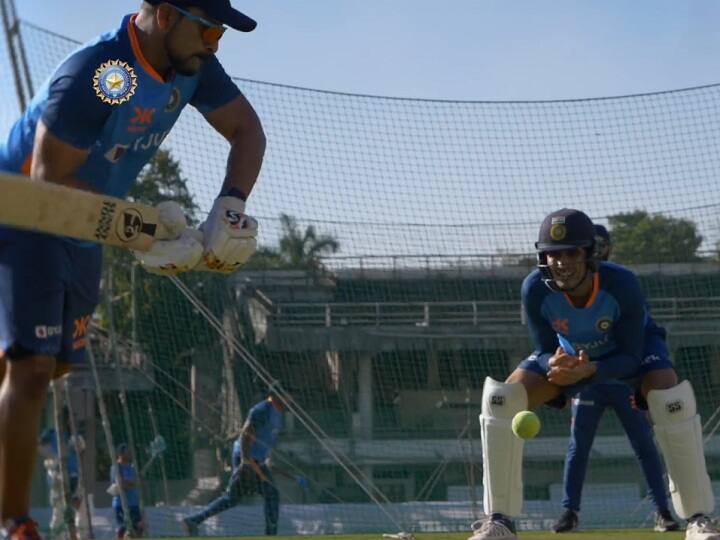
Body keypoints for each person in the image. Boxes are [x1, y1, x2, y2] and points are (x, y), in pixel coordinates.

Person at [0, 0, 265, 536]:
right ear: (165, 15)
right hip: (27, 211)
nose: (215, 44)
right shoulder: (101, 73)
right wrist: (142, 230)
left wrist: (228, 207)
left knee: (51, 368)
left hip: (90, 225)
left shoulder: (192, 66)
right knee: (30, 369)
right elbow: (51, 183)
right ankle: (13, 523)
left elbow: (247, 131)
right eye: (209, 29)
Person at [469, 209, 719, 540]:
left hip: (632, 353)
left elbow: (630, 355)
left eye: (571, 252)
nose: (562, 262)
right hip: (575, 360)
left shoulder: (622, 283)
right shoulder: (534, 289)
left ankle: (699, 520)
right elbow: (544, 348)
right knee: (502, 399)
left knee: (669, 396)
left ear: (590, 253)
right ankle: (499, 521)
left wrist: (594, 369)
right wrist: (552, 366)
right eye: (553, 254)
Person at [552, 225, 679, 533]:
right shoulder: (565, 288)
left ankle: (663, 510)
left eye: (600, 245)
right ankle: (569, 512)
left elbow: (638, 337)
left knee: (644, 444)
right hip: (589, 381)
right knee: (578, 447)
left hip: (623, 378)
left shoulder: (622, 283)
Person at [183, 392, 286, 536]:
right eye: (287, 395)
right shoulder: (263, 409)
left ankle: (194, 520)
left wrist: (266, 459)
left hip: (257, 460)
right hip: (249, 459)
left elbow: (267, 439)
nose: (290, 399)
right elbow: (246, 434)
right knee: (270, 494)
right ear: (276, 396)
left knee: (233, 498)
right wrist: (245, 462)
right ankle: (271, 534)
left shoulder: (279, 414)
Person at [38, 428, 82, 540]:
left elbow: (80, 445)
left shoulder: (68, 444)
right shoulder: (52, 461)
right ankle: (55, 536)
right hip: (61, 483)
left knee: (69, 514)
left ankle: (65, 534)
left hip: (71, 478)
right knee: (59, 515)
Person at [110, 443, 143, 538]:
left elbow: (136, 482)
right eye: (127, 452)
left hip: (133, 503)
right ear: (121, 454)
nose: (129, 454)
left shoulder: (132, 468)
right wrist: (130, 483)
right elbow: (120, 484)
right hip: (121, 503)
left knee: (140, 526)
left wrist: (129, 483)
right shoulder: (115, 467)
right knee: (122, 529)